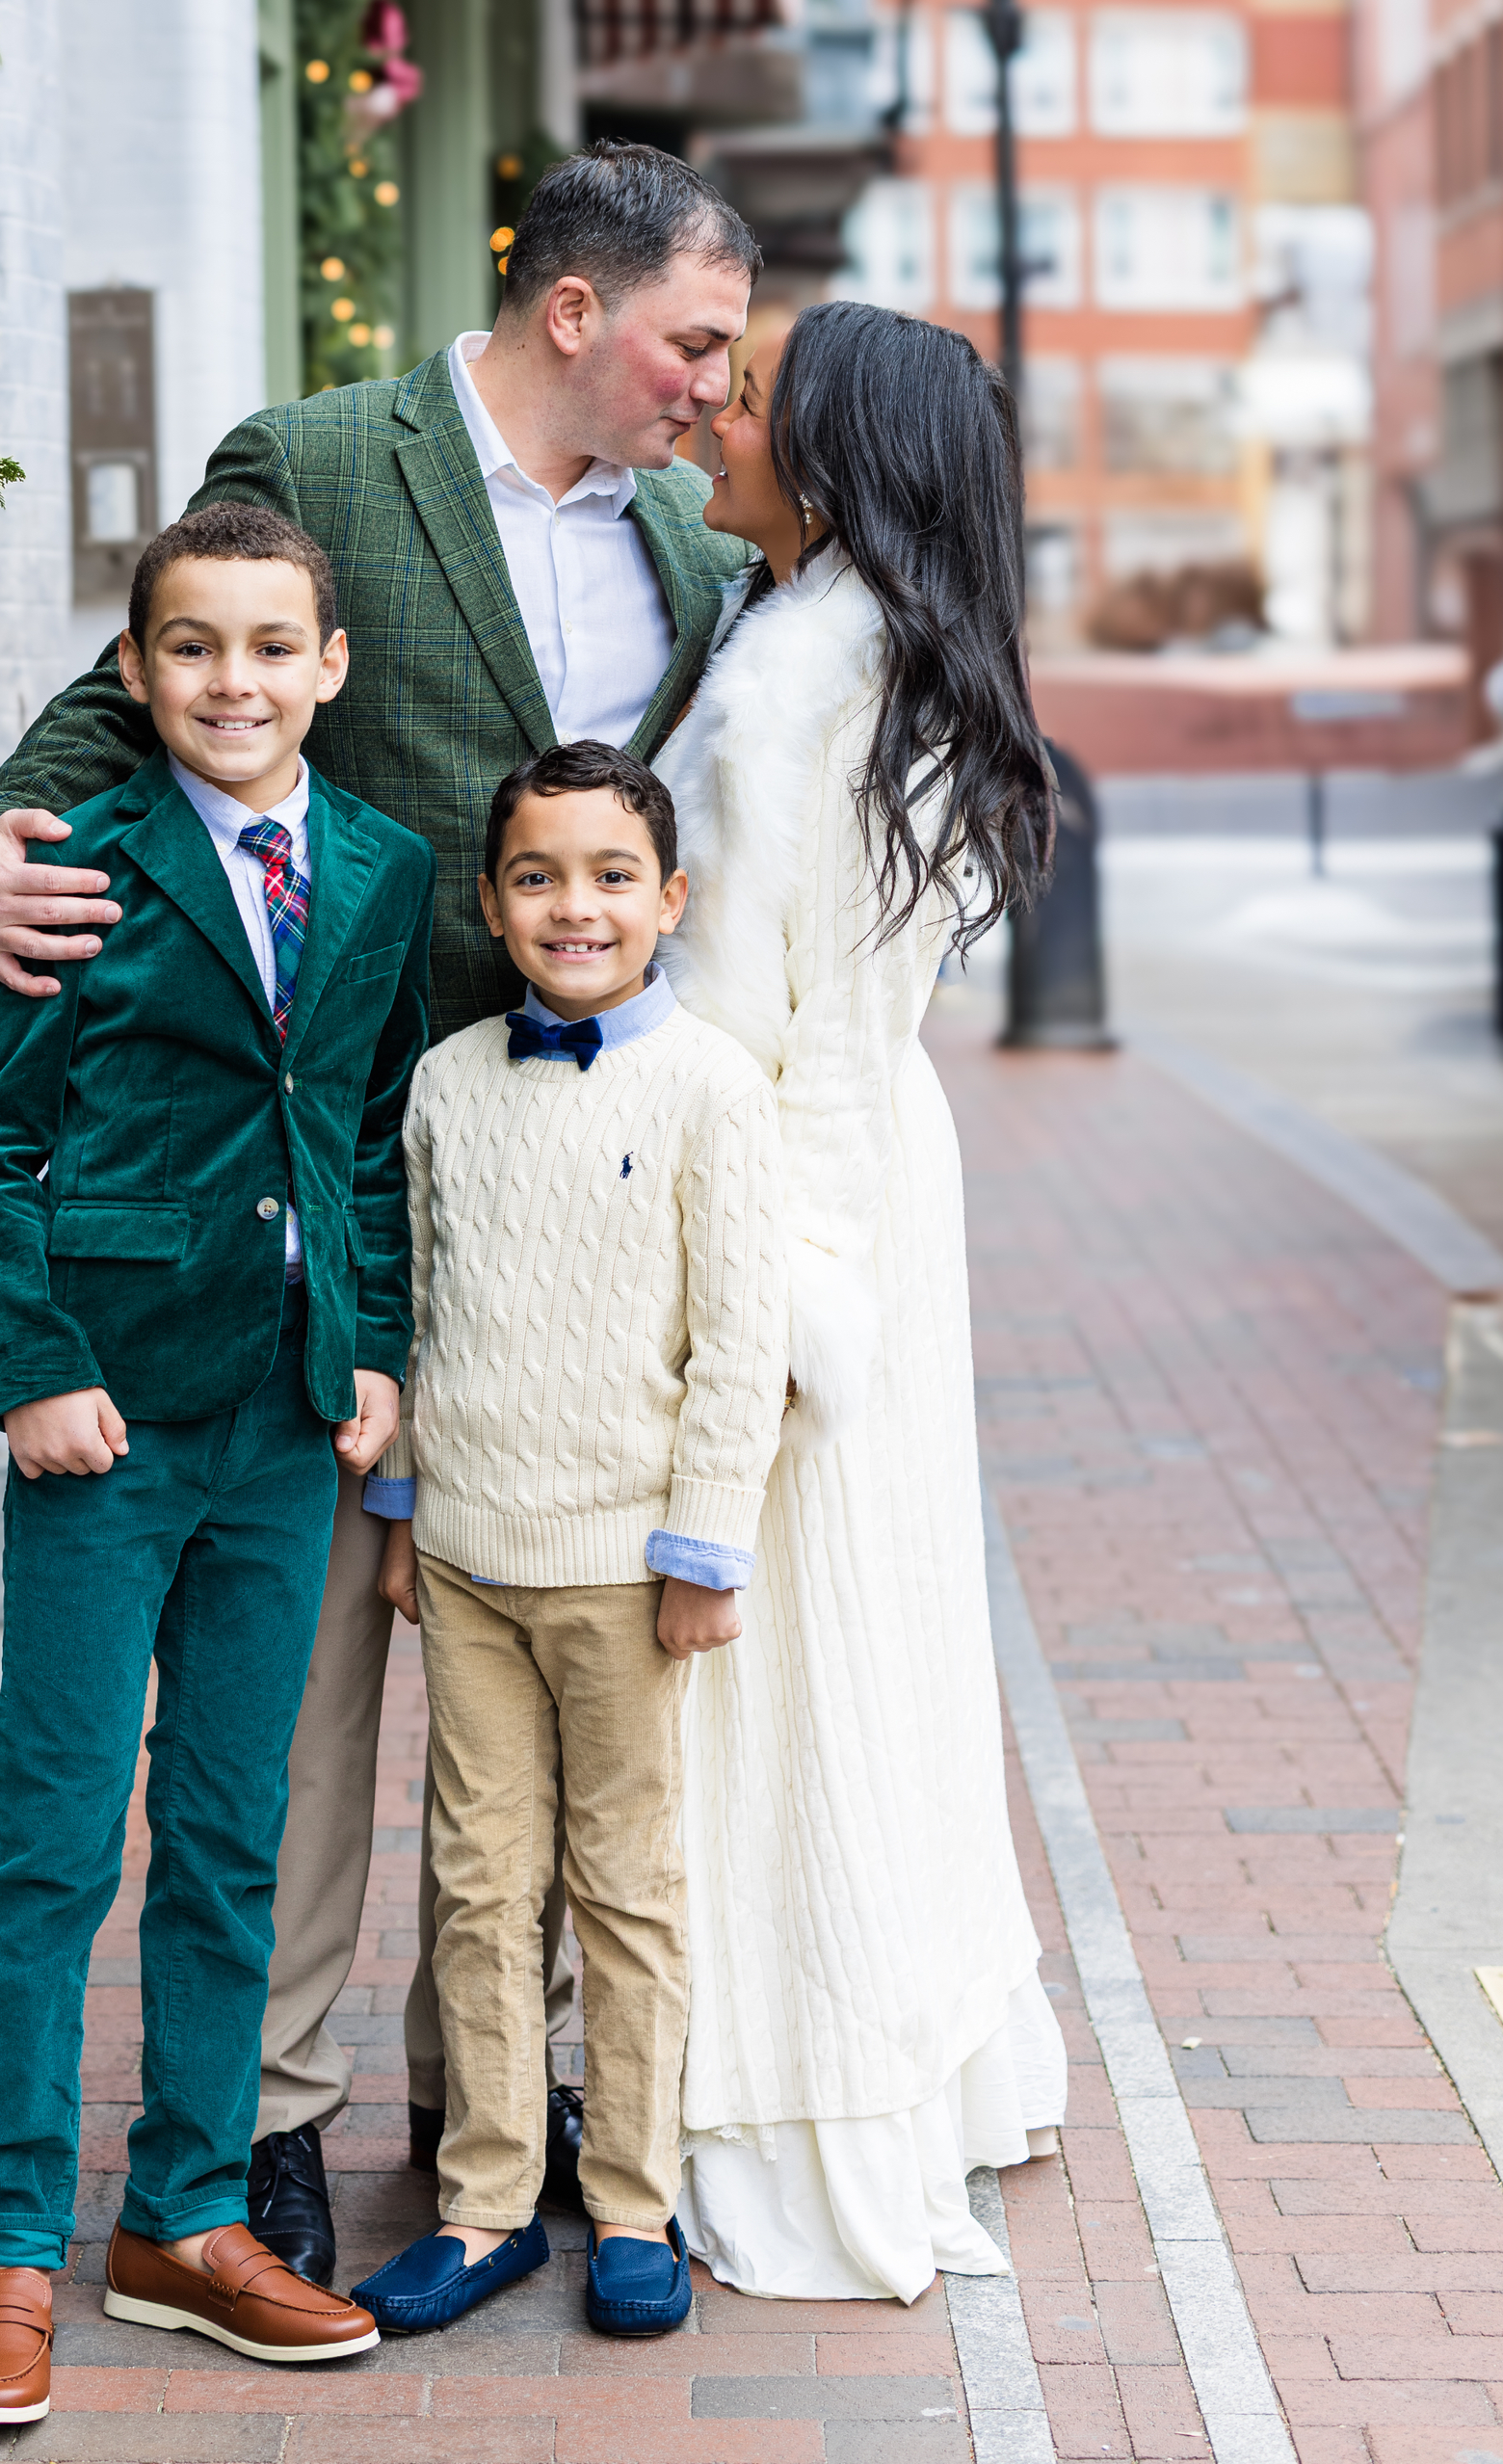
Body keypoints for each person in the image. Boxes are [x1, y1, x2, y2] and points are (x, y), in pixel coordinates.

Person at [0, 146, 763, 2279]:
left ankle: (519, 2104)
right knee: (293, 1700)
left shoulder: (690, 528)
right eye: (690, 339)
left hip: (574, 1189)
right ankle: (264, 2121)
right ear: (575, 312)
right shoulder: (318, 457)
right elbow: (118, 701)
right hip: (326, 1156)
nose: (712, 384)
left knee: (556, 1651)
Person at [0, 503, 435, 2425]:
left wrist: (371, 1342)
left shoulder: (378, 871)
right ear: (133, 673)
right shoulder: (80, 861)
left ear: (328, 667)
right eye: (190, 647)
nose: (231, 682)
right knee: (55, 1839)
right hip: (109, 1424)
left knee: (231, 1827)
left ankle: (188, 2213)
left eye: (267, 647)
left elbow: (364, 1135)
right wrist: (33, 1367)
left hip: (283, 1427)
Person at [650, 301, 1068, 2303]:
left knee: (776, 1666)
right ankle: (920, 2052)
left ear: (823, 459)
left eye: (741, 400)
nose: (704, 421)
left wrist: (741, 1303)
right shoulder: (884, 648)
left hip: (786, 1194)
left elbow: (724, 1006)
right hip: (877, 1174)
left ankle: (791, 2097)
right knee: (881, 1641)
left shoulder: (789, 667)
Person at [349, 745, 789, 2341]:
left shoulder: (713, 1089)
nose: (574, 907)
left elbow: (742, 1343)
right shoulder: (447, 1081)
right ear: (491, 901)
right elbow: (423, 1310)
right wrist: (402, 1518)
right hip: (468, 1553)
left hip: (623, 1569)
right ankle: (483, 2204)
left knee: (626, 1888)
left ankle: (633, 2201)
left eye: (612, 877)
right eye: (537, 877)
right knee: (477, 1884)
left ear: (670, 900)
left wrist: (704, 1549)